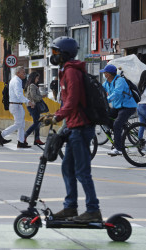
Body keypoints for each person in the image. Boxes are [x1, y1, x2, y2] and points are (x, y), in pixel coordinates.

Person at [44, 36, 102, 223]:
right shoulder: (66, 71)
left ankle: (93, 210)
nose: (53, 55)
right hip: (73, 126)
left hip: (80, 127)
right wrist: (58, 115)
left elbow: (73, 101)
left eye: (55, 52)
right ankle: (70, 207)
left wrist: (57, 116)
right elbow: (68, 103)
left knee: (82, 171)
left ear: (65, 54)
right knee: (67, 168)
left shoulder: (71, 72)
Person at [101, 64, 137, 156]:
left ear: (108, 74)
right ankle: (118, 134)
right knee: (104, 117)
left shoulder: (120, 81)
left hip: (128, 107)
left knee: (117, 124)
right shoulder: (107, 82)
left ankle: (119, 148)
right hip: (118, 107)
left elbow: (117, 93)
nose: (104, 74)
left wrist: (106, 100)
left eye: (104, 72)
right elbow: (99, 90)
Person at [1, 66, 34, 148]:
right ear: (18, 73)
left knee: (22, 124)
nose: (25, 74)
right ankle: (2, 134)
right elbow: (18, 95)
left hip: (17, 104)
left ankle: (20, 142)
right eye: (23, 72)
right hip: (16, 105)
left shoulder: (17, 80)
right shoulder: (16, 81)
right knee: (18, 124)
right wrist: (28, 101)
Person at [24, 72, 45, 145]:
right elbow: (34, 96)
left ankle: (37, 139)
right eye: (37, 78)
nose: (38, 80)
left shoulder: (29, 85)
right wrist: (41, 97)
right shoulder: (32, 85)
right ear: (33, 78)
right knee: (37, 122)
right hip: (33, 106)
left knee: (37, 122)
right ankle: (25, 135)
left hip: (31, 106)